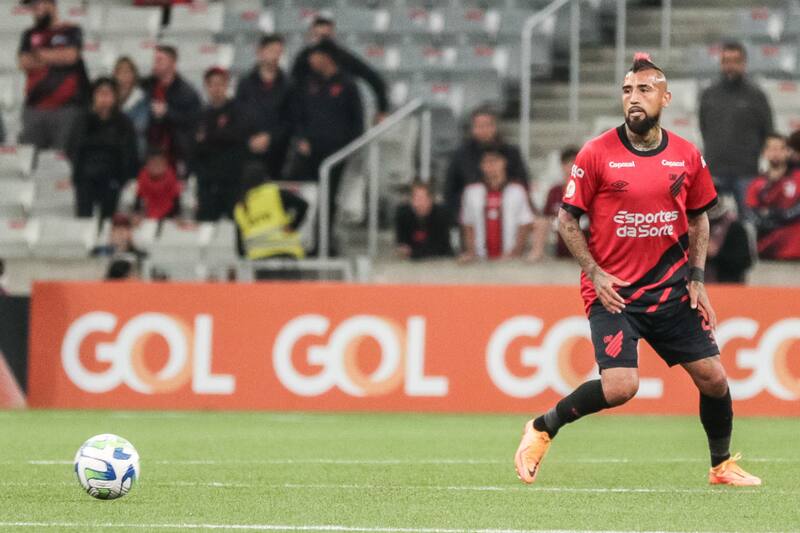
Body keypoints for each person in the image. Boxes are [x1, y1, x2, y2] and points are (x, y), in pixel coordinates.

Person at [514, 54, 761, 487]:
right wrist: (594, 273)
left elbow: (700, 218)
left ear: (665, 98)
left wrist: (697, 278)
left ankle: (721, 466)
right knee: (621, 387)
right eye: (627, 90)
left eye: (644, 89)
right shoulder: (596, 153)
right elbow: (567, 220)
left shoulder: (686, 155)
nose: (634, 97)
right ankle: (542, 427)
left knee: (714, 378)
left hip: (671, 290)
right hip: (615, 292)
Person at [290, 39, 364, 255]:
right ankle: (298, 240)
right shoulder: (308, 83)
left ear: (326, 57)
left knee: (328, 199)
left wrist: (348, 149)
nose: (311, 60)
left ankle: (323, 243)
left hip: (335, 154)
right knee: (304, 196)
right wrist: (300, 138)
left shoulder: (348, 85)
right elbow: (298, 115)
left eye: (315, 55)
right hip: (308, 153)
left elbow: (356, 122)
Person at [699, 41, 773, 218]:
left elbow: (768, 131)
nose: (730, 66)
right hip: (715, 171)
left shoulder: (756, 95)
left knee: (750, 223)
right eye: (726, 61)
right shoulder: (709, 94)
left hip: (746, 172)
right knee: (711, 226)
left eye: (735, 61)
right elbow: (704, 127)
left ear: (744, 63)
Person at [17, 0, 90, 150]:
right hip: (34, 108)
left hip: (67, 109)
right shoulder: (29, 34)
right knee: (30, 157)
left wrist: (38, 54)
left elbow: (70, 56)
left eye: (38, 4)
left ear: (51, 4)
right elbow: (23, 62)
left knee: (63, 157)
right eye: (32, 6)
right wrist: (56, 56)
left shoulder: (70, 30)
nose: (34, 10)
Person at [291, 13, 388, 123]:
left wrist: (382, 110)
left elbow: (374, 79)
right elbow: (293, 88)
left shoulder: (343, 57)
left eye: (325, 37)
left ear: (332, 34)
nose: (322, 42)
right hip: (310, 117)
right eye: (318, 36)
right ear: (311, 35)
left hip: (340, 117)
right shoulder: (303, 59)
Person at [67, 77, 138, 219]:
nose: (104, 98)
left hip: (112, 177)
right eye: (100, 93)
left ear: (115, 97)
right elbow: (72, 148)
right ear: (93, 96)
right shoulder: (82, 120)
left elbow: (129, 152)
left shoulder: (124, 123)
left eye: (108, 93)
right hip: (85, 178)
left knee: (108, 220)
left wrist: (123, 177)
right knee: (84, 219)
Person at [445, 106, 530, 220]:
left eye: (487, 125)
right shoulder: (461, 155)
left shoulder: (511, 153)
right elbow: (451, 190)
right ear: (472, 128)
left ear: (495, 126)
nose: (483, 130)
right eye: (478, 126)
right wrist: (461, 215)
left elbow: (522, 184)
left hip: (508, 215)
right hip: (471, 217)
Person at [459, 147, 534, 262]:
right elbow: (468, 225)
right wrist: (471, 252)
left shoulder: (517, 191)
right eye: (486, 162)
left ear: (504, 162)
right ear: (481, 166)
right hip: (480, 259)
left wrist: (515, 254)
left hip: (509, 259)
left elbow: (524, 225)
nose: (490, 166)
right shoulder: (471, 192)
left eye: (494, 161)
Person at [235, 34, 292, 179]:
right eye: (271, 51)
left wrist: (270, 137)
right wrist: (249, 139)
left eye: (279, 52)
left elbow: (290, 119)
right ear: (260, 51)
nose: (275, 56)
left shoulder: (288, 85)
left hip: (278, 154)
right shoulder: (245, 83)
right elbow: (238, 114)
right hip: (249, 151)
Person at [141, 44, 201, 178]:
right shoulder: (146, 86)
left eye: (160, 60)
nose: (155, 64)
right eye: (155, 60)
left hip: (175, 155)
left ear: (173, 63)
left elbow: (192, 123)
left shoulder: (187, 93)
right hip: (150, 154)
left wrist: (167, 112)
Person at [194, 67, 245, 222]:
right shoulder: (200, 115)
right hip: (208, 182)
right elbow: (196, 147)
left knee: (236, 223)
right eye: (212, 84)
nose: (216, 88)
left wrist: (209, 136)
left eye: (220, 84)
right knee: (205, 223)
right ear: (206, 87)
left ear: (226, 85)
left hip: (233, 180)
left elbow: (237, 136)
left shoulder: (238, 111)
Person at [234, 167, 309, 263]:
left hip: (259, 258)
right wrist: (293, 226)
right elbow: (303, 205)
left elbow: (240, 249)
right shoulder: (274, 192)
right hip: (286, 251)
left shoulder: (240, 207)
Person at [746, 133, 800, 260]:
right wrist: (770, 218)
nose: (776, 153)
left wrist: (775, 214)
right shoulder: (756, 184)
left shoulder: (798, 178)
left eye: (780, 148)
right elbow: (751, 213)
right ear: (764, 152)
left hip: (796, 252)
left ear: (787, 152)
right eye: (771, 148)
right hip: (768, 252)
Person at [533, 146, 583, 260]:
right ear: (562, 166)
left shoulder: (589, 191)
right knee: (541, 222)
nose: (571, 167)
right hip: (559, 242)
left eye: (575, 164)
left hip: (584, 242)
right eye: (568, 163)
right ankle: (536, 254)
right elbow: (545, 218)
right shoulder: (554, 191)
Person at [395, 181, 453, 260]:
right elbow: (401, 242)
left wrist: (413, 252)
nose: (418, 203)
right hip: (412, 260)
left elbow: (442, 246)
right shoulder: (403, 214)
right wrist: (403, 249)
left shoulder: (442, 215)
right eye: (415, 198)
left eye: (422, 198)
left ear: (430, 199)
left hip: (440, 260)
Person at [706, 196, 753, 283]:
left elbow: (745, 261)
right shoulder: (697, 227)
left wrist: (716, 255)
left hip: (728, 283)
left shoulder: (736, 229)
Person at [113, 56, 149, 161]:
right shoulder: (110, 97)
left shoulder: (141, 97)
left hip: (135, 149)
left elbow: (140, 126)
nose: (124, 76)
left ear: (134, 75)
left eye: (127, 72)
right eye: (120, 72)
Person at [135, 147, 181, 220]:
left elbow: (177, 208)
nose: (156, 167)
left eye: (159, 163)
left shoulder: (173, 180)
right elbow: (136, 207)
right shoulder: (139, 181)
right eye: (153, 163)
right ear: (146, 165)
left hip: (169, 219)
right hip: (145, 218)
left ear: (166, 165)